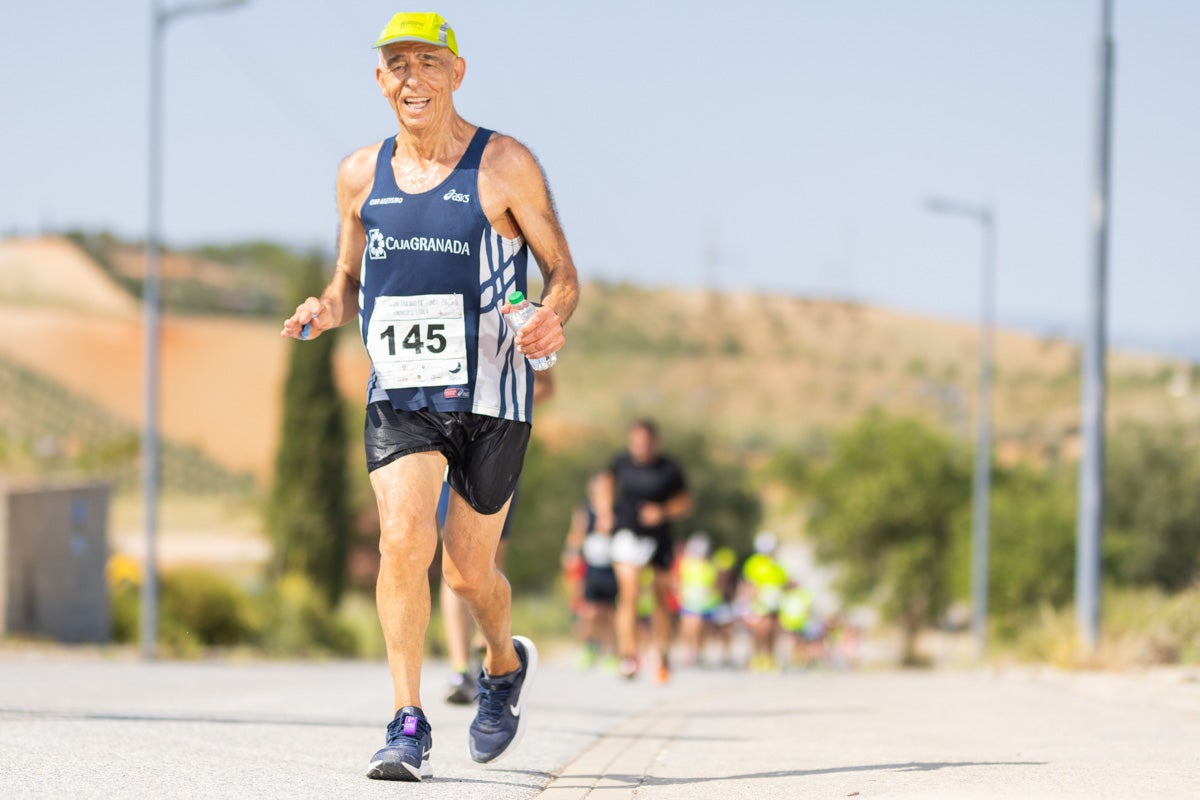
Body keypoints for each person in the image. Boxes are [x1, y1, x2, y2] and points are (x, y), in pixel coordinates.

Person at [281, 11, 578, 782]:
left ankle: (504, 666)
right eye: (398, 66)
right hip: (403, 393)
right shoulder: (358, 174)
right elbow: (346, 283)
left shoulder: (503, 164)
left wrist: (550, 319)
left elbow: (564, 275)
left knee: (467, 575)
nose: (413, 78)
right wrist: (324, 309)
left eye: (427, 63)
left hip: (493, 397)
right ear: (381, 82)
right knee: (404, 539)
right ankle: (406, 721)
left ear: (457, 72)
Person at [442, 370, 554, 704]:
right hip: (447, 447)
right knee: (452, 561)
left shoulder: (510, 318)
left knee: (490, 560)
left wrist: (499, 406)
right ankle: (460, 667)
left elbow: (547, 385)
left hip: (495, 445)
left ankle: (488, 652)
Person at [594, 420, 693, 682]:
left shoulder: (669, 468)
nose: (641, 447)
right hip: (627, 531)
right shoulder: (620, 463)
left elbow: (686, 502)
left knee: (661, 596)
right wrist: (604, 513)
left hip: (659, 537)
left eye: (646, 442)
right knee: (629, 592)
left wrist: (663, 512)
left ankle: (661, 652)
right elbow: (603, 483)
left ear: (655, 442)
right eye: (636, 442)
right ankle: (628, 654)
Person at [561, 473, 618, 669]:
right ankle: (589, 647)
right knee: (590, 611)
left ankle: (611, 653)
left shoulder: (618, 510)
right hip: (592, 567)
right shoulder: (585, 510)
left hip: (614, 568)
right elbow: (577, 534)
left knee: (609, 613)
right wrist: (570, 555)